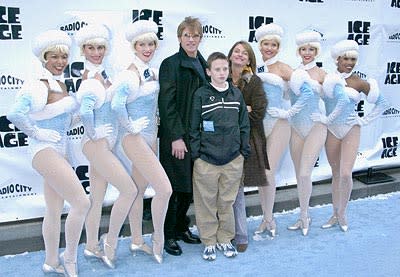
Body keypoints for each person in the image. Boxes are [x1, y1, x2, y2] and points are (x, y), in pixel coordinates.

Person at [7, 30, 90, 276]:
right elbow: (15, 114)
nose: (60, 62)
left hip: (59, 150)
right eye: (54, 56)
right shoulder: (37, 84)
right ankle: (70, 258)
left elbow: (63, 121)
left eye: (63, 57)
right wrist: (36, 133)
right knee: (82, 202)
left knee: (54, 209)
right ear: (44, 58)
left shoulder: (60, 84)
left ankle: (51, 261)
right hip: (43, 151)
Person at [74, 24, 144, 269]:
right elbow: (82, 112)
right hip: (97, 144)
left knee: (97, 197)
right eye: (91, 48)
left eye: (100, 47)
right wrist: (93, 133)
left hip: (105, 143)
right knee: (129, 190)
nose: (96, 52)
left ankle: (91, 245)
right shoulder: (88, 77)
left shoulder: (105, 73)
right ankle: (109, 244)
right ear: (83, 50)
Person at [111, 19, 172, 264]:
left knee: (138, 190)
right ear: (134, 46)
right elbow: (116, 105)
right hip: (135, 138)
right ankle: (158, 240)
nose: (147, 48)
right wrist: (129, 126)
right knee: (164, 189)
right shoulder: (129, 73)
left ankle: (137, 240)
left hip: (150, 137)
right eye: (142, 44)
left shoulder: (152, 71)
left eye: (151, 44)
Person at [313, 40, 389, 232]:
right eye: (346, 58)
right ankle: (334, 213)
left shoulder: (359, 82)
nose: (349, 62)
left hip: (351, 129)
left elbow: (382, 103)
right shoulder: (328, 78)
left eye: (353, 59)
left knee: (346, 173)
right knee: (336, 173)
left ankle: (343, 213)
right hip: (331, 130)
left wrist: (364, 120)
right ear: (337, 59)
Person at [189, 52, 250, 261]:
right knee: (206, 203)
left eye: (225, 69)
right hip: (206, 161)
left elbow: (244, 125)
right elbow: (193, 127)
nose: (222, 73)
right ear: (208, 72)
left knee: (226, 202)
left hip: (233, 160)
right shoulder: (201, 95)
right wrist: (197, 154)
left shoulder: (236, 95)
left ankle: (225, 238)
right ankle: (208, 241)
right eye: (217, 69)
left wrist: (243, 151)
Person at [158, 16, 207, 256]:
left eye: (195, 35)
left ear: (200, 38)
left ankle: (181, 228)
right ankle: (167, 235)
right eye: (186, 35)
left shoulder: (203, 63)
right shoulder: (170, 64)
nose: (191, 39)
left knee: (188, 187)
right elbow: (166, 104)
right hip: (177, 137)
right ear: (179, 38)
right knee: (174, 187)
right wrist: (176, 137)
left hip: (197, 136)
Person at [284, 31, 328, 236]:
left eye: (311, 49)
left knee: (304, 173)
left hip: (315, 128)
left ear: (317, 51)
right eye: (303, 49)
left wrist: (326, 118)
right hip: (295, 128)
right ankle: (303, 215)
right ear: (299, 51)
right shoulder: (293, 73)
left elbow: (336, 99)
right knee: (299, 175)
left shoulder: (322, 74)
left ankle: (304, 216)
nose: (307, 53)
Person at [254, 23, 294, 237]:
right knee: (262, 174)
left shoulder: (283, 67)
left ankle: (269, 219)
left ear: (278, 47)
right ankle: (266, 217)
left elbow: (305, 88)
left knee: (268, 173)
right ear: (260, 47)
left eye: (274, 45)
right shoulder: (256, 68)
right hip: (260, 125)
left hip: (279, 125)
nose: (269, 48)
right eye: (266, 44)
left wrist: (289, 111)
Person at [227, 41, 268, 252]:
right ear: (230, 55)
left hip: (244, 141)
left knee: (237, 189)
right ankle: (224, 233)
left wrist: (236, 112)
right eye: (237, 51)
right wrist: (244, 108)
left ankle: (241, 235)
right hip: (220, 142)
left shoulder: (254, 81)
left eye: (245, 53)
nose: (240, 55)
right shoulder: (220, 76)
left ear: (250, 59)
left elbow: (258, 112)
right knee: (223, 189)